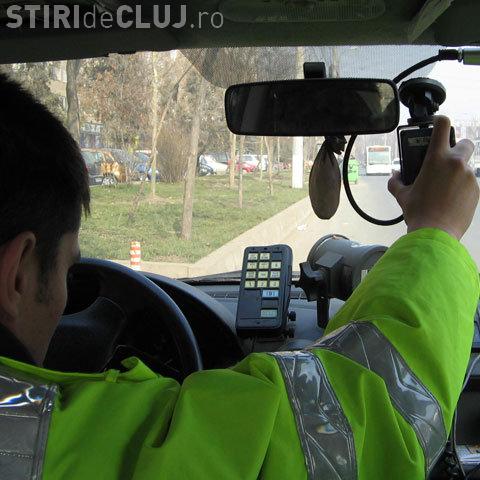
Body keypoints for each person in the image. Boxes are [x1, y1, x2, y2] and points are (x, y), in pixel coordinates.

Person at [0, 72, 478, 480]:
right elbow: (370, 420)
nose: (64, 300)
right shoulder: (50, 434)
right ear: (17, 274)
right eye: (68, 271)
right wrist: (436, 229)